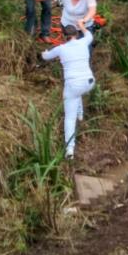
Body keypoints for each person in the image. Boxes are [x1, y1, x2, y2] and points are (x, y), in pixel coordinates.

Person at [41, 22, 95, 159]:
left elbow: (45, 57)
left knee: (69, 118)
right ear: (76, 34)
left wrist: (45, 52)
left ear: (64, 36)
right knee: (78, 93)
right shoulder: (84, 42)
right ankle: (81, 115)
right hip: (89, 81)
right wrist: (82, 24)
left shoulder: (61, 49)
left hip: (74, 85)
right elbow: (89, 33)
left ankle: (70, 150)